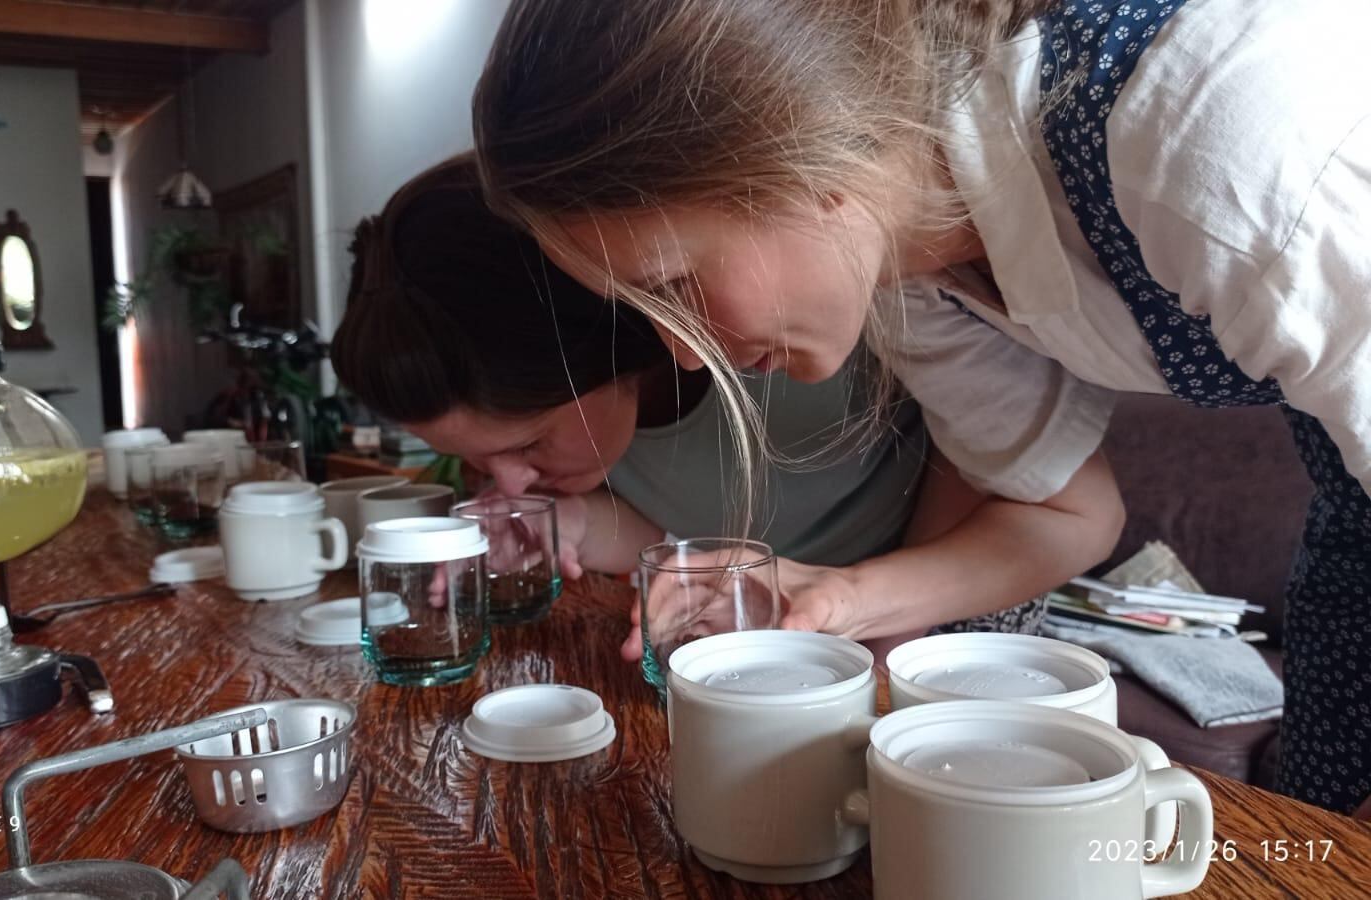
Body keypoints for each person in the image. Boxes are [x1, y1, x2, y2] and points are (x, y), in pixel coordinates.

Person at [470, 0, 1371, 812]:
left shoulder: (1212, 133)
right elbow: (1062, 509)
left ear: (794, 157)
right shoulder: (917, 278)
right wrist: (841, 599)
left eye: (674, 285)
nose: (679, 350)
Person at [331, 157, 1115, 660]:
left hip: (949, 599)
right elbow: (689, 533)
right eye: (477, 460)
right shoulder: (598, 426)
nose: (507, 482)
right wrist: (562, 525)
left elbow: (998, 477)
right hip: (775, 625)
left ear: (605, 324)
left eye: (531, 442)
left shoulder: (808, 313)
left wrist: (866, 628)